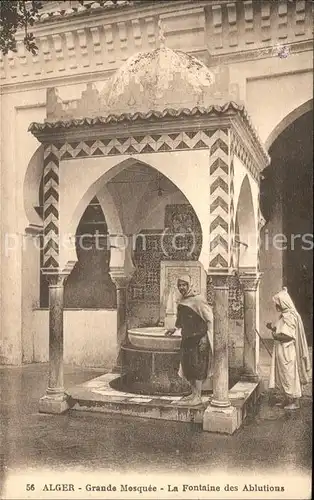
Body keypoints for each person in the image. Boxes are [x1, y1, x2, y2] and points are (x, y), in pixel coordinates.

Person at [165, 275, 213, 406]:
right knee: (187, 367)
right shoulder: (181, 302)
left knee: (197, 367)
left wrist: (206, 338)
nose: (182, 287)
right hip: (187, 338)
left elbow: (210, 319)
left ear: (190, 285)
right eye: (180, 285)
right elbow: (180, 322)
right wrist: (173, 329)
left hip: (198, 339)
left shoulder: (198, 300)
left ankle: (198, 396)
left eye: (184, 285)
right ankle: (193, 394)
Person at [266, 287, 311, 410]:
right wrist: (273, 328)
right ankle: (287, 399)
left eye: (277, 303)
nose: (276, 305)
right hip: (281, 351)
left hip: (287, 351)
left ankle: (295, 402)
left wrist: (275, 335)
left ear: (283, 303)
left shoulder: (290, 316)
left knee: (290, 375)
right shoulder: (284, 316)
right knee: (283, 376)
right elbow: (282, 329)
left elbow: (288, 336)